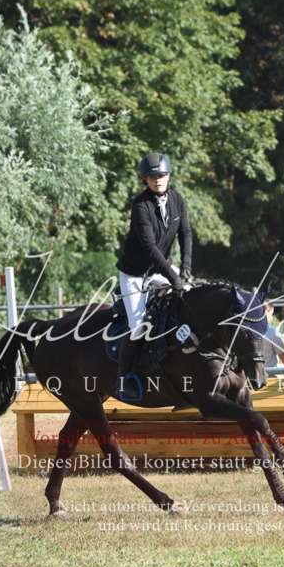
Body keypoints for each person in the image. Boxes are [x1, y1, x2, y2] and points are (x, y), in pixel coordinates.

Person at [115, 152, 193, 399]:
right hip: (135, 274)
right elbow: (150, 249)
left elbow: (186, 235)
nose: (157, 179)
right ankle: (123, 377)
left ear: (168, 176)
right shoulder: (141, 206)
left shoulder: (178, 200)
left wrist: (186, 269)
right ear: (145, 180)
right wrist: (173, 276)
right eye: (151, 177)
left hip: (164, 269)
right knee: (137, 327)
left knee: (191, 301)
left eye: (160, 175)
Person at [261, 301, 284, 369]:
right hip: (270, 376)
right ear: (266, 311)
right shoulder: (272, 332)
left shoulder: (247, 332)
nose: (272, 318)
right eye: (271, 314)